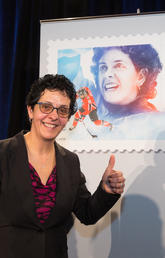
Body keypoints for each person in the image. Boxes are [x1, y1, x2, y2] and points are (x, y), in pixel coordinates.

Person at [0, 74, 125, 258]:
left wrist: (106, 190)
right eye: (46, 107)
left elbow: (87, 213)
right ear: (30, 111)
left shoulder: (70, 161)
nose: (53, 116)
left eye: (62, 110)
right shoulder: (3, 153)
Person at [91, 44, 162, 121]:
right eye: (103, 67)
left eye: (119, 66)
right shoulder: (96, 109)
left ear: (141, 76)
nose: (107, 74)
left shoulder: (156, 123)